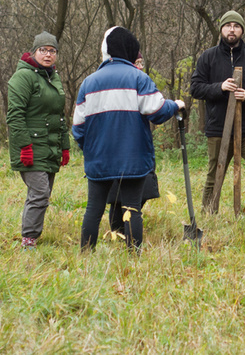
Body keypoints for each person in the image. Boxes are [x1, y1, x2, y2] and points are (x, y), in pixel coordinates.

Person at [73, 27, 184, 251]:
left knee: (93, 209)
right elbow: (158, 111)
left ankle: (85, 255)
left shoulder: (88, 83)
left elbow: (78, 128)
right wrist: (176, 105)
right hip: (133, 158)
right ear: (131, 51)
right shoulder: (138, 78)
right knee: (132, 208)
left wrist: (92, 151)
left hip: (98, 160)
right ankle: (134, 256)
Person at [190, 10, 245, 218]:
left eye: (236, 26)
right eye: (228, 25)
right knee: (214, 174)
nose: (232, 29)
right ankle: (209, 216)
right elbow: (196, 88)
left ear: (242, 30)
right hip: (218, 126)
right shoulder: (208, 57)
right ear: (221, 29)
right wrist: (220, 87)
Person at [6, 32, 70, 250]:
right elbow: (14, 115)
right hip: (31, 147)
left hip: (49, 146)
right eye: (43, 50)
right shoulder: (23, 77)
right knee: (40, 193)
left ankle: (30, 236)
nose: (48, 55)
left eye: (52, 51)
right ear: (34, 52)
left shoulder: (53, 76)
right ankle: (29, 241)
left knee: (41, 194)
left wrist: (65, 146)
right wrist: (24, 146)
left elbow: (59, 115)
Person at [106, 51, 160, 235]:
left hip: (140, 146)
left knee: (142, 187)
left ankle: (128, 223)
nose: (139, 66)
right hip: (117, 146)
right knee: (116, 192)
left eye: (141, 62)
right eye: (135, 62)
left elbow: (154, 109)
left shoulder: (143, 82)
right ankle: (117, 229)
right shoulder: (117, 84)